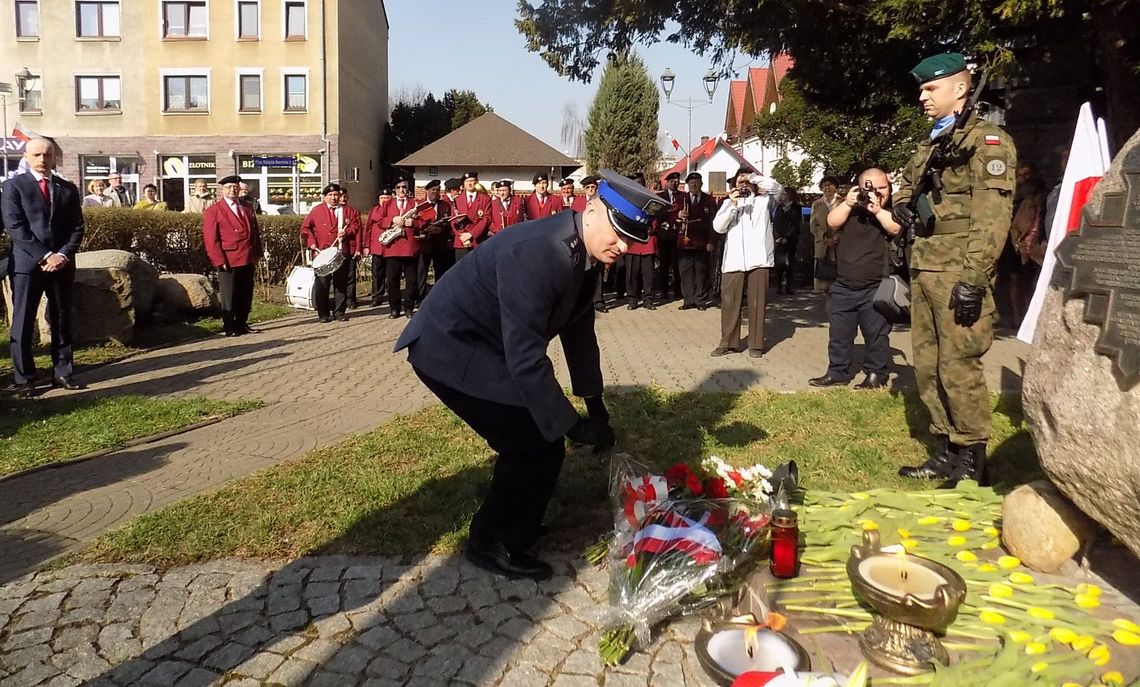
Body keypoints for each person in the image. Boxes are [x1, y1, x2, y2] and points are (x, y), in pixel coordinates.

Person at [394, 170, 667, 581]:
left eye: (632, 239)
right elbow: (525, 358)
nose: (624, 247)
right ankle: (490, 542)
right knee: (531, 443)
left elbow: (578, 334)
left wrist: (596, 406)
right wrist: (571, 424)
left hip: (486, 346)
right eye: (619, 234)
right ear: (591, 210)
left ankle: (516, 527)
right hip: (450, 349)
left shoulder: (583, 253)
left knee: (540, 439)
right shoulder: (542, 253)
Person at [893, 53, 1016, 487]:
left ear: (960, 89)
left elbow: (992, 216)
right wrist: (905, 205)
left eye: (931, 89)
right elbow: (905, 188)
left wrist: (974, 277)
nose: (922, 96)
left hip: (960, 268)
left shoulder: (988, 142)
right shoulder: (932, 142)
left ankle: (973, 460)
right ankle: (946, 450)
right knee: (928, 365)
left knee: (959, 365)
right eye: (922, 89)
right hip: (926, 264)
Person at [1, 137, 86, 397]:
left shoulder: (67, 188)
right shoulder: (13, 187)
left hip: (61, 265)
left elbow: (77, 227)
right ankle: (24, 378)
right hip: (27, 265)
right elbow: (15, 227)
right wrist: (45, 255)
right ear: (26, 156)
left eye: (47, 155)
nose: (42, 160)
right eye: (37, 154)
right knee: (23, 321)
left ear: (54, 157)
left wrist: (61, 255)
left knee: (61, 320)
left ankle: (62, 372)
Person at [809, 168, 901, 389]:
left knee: (876, 335)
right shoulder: (850, 207)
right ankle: (837, 372)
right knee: (839, 334)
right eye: (870, 188)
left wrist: (877, 209)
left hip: (875, 285)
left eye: (882, 188)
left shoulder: (892, 209)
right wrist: (849, 203)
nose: (876, 192)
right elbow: (832, 222)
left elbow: (895, 227)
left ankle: (875, 374)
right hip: (844, 283)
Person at [711, 168, 783, 358]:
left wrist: (754, 177)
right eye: (739, 182)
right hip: (733, 260)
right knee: (729, 302)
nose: (743, 185)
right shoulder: (728, 203)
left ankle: (756, 345)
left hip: (759, 259)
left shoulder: (764, 201)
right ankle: (728, 342)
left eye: (746, 182)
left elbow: (777, 189)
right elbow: (718, 227)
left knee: (757, 302)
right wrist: (733, 204)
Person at [202, 175, 262, 337]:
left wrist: (257, 253)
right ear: (222, 190)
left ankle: (241, 323)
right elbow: (211, 238)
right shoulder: (214, 210)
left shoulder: (246, 206)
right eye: (229, 187)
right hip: (229, 258)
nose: (233, 190)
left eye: (235, 187)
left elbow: (254, 232)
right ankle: (229, 326)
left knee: (245, 292)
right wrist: (218, 259)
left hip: (247, 256)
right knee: (229, 294)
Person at [300, 183, 359, 323]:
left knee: (341, 283)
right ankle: (323, 313)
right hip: (322, 254)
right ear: (325, 197)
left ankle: (339, 312)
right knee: (322, 284)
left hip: (340, 253)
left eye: (336, 195)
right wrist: (312, 243)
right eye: (330, 195)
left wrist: (347, 232)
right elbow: (305, 229)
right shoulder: (317, 210)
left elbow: (355, 226)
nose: (333, 198)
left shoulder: (347, 211)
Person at [377, 177, 423, 318]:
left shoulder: (414, 203)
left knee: (411, 280)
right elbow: (379, 221)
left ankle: (409, 307)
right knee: (392, 280)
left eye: (404, 187)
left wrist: (413, 223)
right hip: (393, 247)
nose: (402, 190)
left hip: (409, 247)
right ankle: (394, 308)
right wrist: (391, 220)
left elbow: (425, 221)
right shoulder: (387, 204)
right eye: (398, 187)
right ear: (394, 190)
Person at [676, 172, 717, 310]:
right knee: (685, 272)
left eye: (696, 182)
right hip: (685, 242)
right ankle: (688, 300)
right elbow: (671, 216)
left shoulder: (709, 200)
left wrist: (711, 241)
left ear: (701, 184)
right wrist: (678, 214)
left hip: (702, 242)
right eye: (691, 183)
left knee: (701, 272)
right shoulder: (682, 198)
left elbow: (713, 223)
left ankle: (700, 300)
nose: (693, 185)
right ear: (687, 185)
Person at [415, 179, 455, 299]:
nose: (435, 192)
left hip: (440, 243)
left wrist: (441, 229)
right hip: (424, 244)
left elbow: (448, 223)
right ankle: (420, 297)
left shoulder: (445, 205)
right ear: (427, 191)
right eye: (433, 190)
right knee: (421, 272)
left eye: (437, 190)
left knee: (440, 271)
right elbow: (416, 223)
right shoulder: (420, 205)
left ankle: (438, 296)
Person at [655, 171, 683, 302]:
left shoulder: (683, 197)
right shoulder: (661, 197)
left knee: (678, 265)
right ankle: (663, 291)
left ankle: (678, 291)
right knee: (664, 265)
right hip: (664, 236)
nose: (675, 183)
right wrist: (674, 216)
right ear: (667, 182)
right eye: (672, 181)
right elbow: (658, 214)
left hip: (678, 235)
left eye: (677, 181)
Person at [363, 186, 393, 307]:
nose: (384, 200)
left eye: (387, 198)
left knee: (391, 274)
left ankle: (392, 296)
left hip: (391, 247)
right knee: (377, 274)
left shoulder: (394, 210)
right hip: (377, 247)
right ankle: (377, 297)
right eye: (382, 198)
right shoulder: (374, 210)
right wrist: (366, 246)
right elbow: (368, 228)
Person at [810, 176, 840, 293]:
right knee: (823, 279)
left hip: (839, 242)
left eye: (830, 185)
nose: (827, 187)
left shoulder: (842, 202)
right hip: (822, 243)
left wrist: (836, 237)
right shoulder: (817, 204)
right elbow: (813, 225)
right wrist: (825, 237)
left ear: (836, 187)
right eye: (824, 185)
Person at [452, 171, 491, 259]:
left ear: (477, 182)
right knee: (461, 270)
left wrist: (471, 234)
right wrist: (463, 236)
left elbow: (486, 218)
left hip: (478, 241)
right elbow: (453, 220)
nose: (469, 183)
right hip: (462, 242)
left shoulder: (485, 199)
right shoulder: (457, 200)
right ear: (463, 184)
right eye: (467, 181)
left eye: (472, 180)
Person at [772, 186, 801, 295]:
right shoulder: (779, 208)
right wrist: (777, 237)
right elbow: (775, 223)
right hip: (779, 240)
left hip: (791, 240)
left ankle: (789, 286)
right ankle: (779, 286)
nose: (782, 196)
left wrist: (787, 237)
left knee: (790, 263)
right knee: (779, 263)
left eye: (784, 194)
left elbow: (794, 225)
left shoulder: (797, 208)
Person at [340, 189, 363, 308]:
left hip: (350, 248)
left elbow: (358, 231)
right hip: (336, 249)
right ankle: (339, 300)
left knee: (350, 275)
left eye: (345, 197)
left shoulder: (353, 212)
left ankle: (350, 299)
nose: (343, 199)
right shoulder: (333, 211)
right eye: (341, 196)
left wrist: (358, 248)